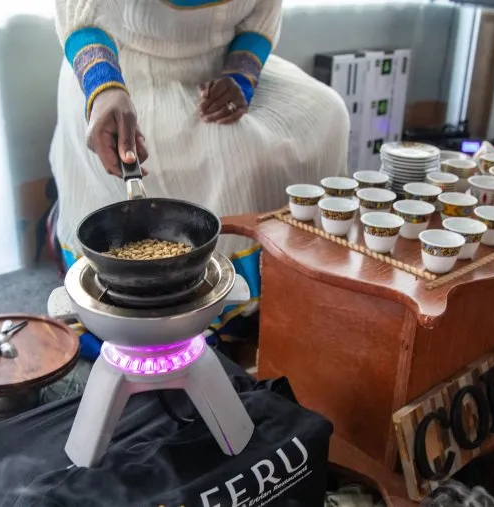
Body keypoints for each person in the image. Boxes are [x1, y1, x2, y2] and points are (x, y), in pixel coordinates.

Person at [50, 0, 349, 340]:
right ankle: (208, 305)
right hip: (123, 75)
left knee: (328, 114)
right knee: (226, 149)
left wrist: (241, 76)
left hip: (216, 69)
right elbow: (80, 14)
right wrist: (103, 89)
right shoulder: (109, 82)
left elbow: (261, 15)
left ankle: (271, 284)